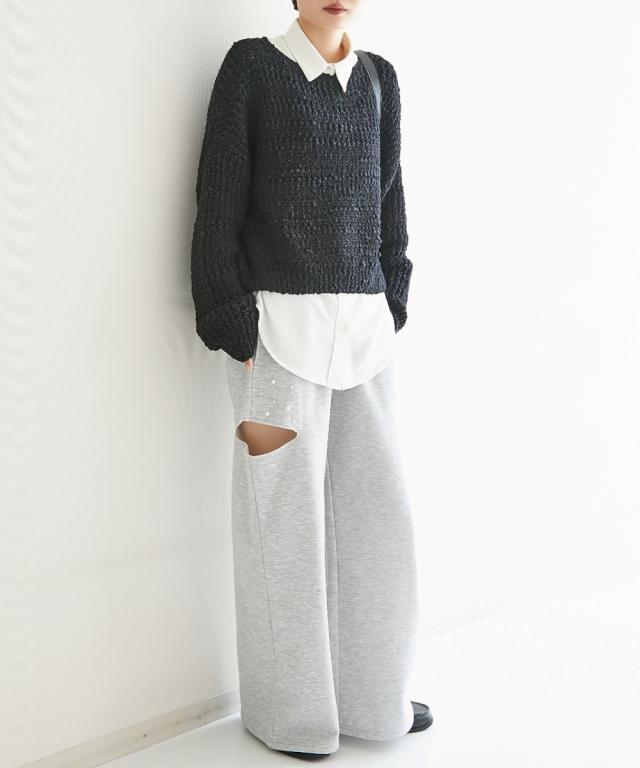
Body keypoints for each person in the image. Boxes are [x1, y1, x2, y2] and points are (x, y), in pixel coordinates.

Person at [190, 0, 433, 759]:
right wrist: (229, 317)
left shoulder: (379, 80)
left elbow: (389, 198)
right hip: (274, 338)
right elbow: (218, 198)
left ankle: (373, 698)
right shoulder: (253, 68)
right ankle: (290, 715)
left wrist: (394, 293)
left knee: (378, 520)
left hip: (364, 333)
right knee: (280, 523)